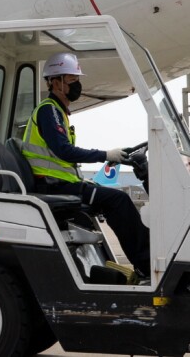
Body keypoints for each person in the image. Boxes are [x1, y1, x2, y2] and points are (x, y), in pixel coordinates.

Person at [22, 52, 150, 276]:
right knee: (118, 200)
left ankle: (142, 262)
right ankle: (147, 264)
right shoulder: (48, 111)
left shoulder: (58, 112)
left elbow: (60, 156)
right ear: (56, 82)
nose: (77, 85)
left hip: (62, 183)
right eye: (72, 80)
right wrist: (106, 154)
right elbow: (64, 151)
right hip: (53, 186)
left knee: (115, 200)